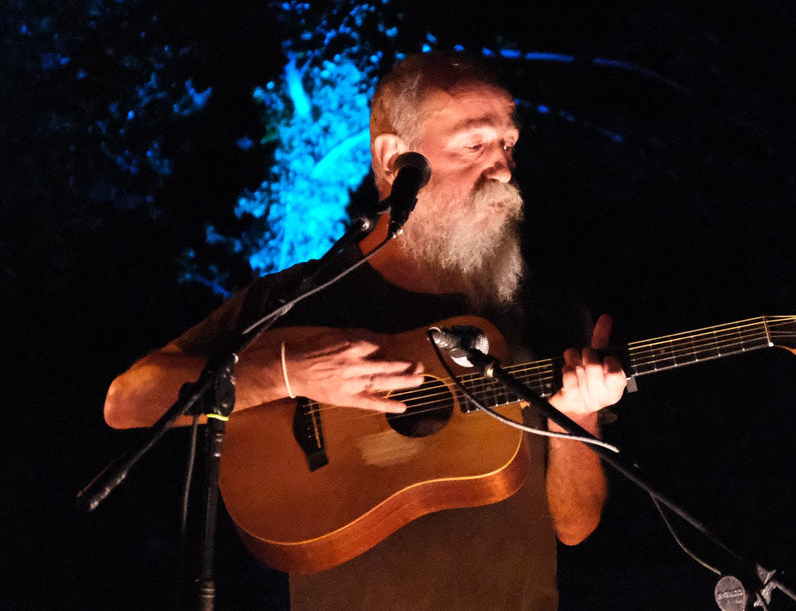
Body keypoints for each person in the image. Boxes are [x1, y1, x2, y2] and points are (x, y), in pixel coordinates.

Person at [104, 51, 628, 609]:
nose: (501, 167)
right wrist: (285, 372)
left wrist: (578, 420)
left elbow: (576, 526)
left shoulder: (542, 302)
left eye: (508, 145)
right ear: (392, 157)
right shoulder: (300, 300)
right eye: (474, 145)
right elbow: (126, 402)